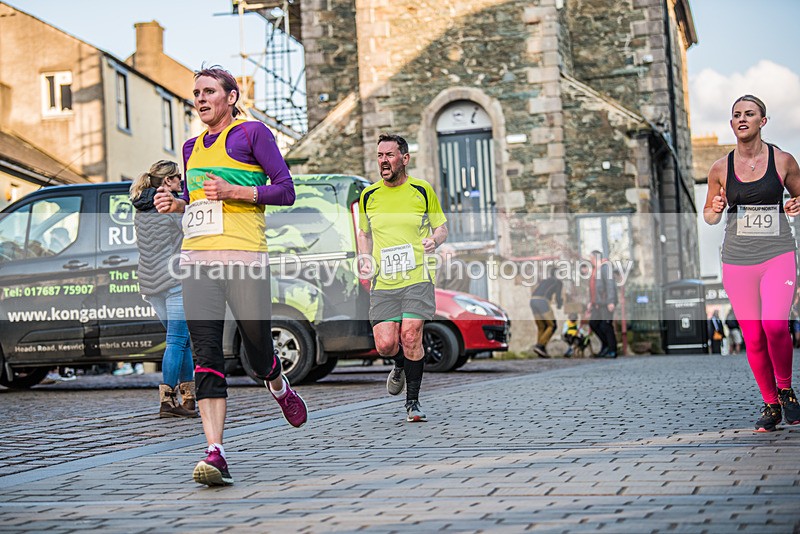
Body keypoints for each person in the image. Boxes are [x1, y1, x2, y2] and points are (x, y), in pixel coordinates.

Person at [155, 65, 307, 486]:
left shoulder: (253, 134)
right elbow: (201, 200)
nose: (200, 99)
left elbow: (286, 190)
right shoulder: (189, 148)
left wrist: (238, 192)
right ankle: (215, 452)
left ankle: (277, 382)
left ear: (231, 97)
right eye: (196, 93)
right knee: (206, 354)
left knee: (257, 352)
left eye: (209, 92)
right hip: (198, 262)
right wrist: (179, 204)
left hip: (245, 259)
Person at [704, 94, 800, 432]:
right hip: (737, 260)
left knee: (775, 325)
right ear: (732, 124)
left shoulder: (783, 161)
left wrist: (795, 205)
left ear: (763, 121)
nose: (742, 119)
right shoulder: (720, 168)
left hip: (778, 255)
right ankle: (771, 403)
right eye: (736, 115)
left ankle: (786, 389)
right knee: (753, 335)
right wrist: (715, 208)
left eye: (750, 114)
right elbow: (710, 216)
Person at [357, 133, 448, 423]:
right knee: (385, 344)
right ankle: (399, 364)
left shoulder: (422, 190)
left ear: (404, 159)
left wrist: (435, 240)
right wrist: (363, 257)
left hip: (417, 275)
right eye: (380, 155)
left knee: (411, 334)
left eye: (390, 155)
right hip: (384, 280)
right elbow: (363, 231)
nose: (383, 161)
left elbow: (442, 227)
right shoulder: (368, 195)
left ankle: (413, 402)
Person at [130, 160, 196, 418]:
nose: (181, 182)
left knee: (182, 342)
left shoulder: (140, 207)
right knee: (177, 341)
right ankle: (168, 402)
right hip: (173, 281)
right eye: (178, 178)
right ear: (167, 181)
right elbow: (192, 232)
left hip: (150, 283)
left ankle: (189, 399)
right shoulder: (169, 207)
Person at [588, 250, 618, 358]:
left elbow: (610, 285)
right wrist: (591, 302)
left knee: (606, 325)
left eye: (591, 258)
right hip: (597, 303)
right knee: (593, 324)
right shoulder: (596, 270)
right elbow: (593, 288)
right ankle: (605, 345)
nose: (590, 261)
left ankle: (612, 350)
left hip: (606, 302)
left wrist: (611, 301)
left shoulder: (606, 267)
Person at [528, 273, 563, 358]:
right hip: (542, 301)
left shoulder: (545, 281)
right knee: (552, 325)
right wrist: (559, 304)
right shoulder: (558, 282)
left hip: (532, 300)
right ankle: (540, 346)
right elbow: (558, 296)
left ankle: (541, 351)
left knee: (542, 327)